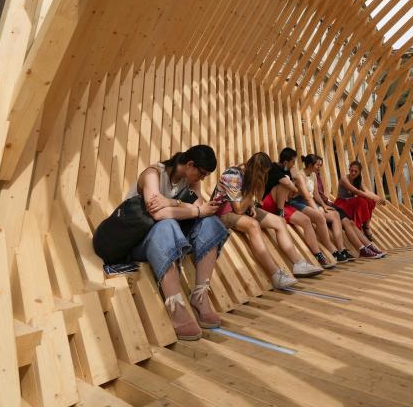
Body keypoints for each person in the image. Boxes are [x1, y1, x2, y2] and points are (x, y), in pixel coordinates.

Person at [129, 146, 227, 341]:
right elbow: (158, 214)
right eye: (202, 174)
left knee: (211, 223)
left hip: (173, 238)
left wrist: (172, 203)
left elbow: (201, 211)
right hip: (140, 240)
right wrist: (181, 207)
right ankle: (175, 306)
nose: (202, 179)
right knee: (166, 225)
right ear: (190, 164)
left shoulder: (191, 181)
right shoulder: (152, 175)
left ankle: (200, 296)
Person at [213, 152, 321, 286]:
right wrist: (252, 193)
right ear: (257, 170)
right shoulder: (233, 174)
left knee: (279, 221)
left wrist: (251, 204)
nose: (264, 176)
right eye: (263, 173)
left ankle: (298, 264)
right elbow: (238, 209)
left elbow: (246, 201)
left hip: (241, 209)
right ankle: (275, 274)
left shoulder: (248, 175)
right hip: (222, 212)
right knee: (253, 225)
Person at [260, 147, 335, 270]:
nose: (294, 165)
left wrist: (294, 180)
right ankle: (280, 214)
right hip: (268, 203)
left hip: (283, 204)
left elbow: (293, 192)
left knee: (306, 220)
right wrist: (294, 182)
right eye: (293, 162)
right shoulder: (274, 168)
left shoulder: (288, 170)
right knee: (285, 183)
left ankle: (318, 255)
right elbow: (287, 184)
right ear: (285, 162)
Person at [299, 154, 355, 262]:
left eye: (320, 165)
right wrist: (317, 209)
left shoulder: (313, 175)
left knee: (335, 214)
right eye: (317, 165)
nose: (319, 167)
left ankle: (341, 249)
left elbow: (315, 194)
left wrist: (324, 206)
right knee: (320, 217)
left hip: (311, 202)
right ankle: (332, 250)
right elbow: (306, 196)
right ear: (310, 165)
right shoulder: (300, 175)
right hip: (302, 203)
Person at [333, 160, 386, 255]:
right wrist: (371, 196)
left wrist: (377, 198)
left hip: (350, 203)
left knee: (370, 201)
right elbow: (356, 191)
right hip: (341, 204)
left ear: (359, 172)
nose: (353, 173)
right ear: (349, 169)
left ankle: (366, 226)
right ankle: (358, 226)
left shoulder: (358, 180)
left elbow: (366, 191)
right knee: (361, 200)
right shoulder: (344, 179)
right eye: (351, 170)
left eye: (355, 171)